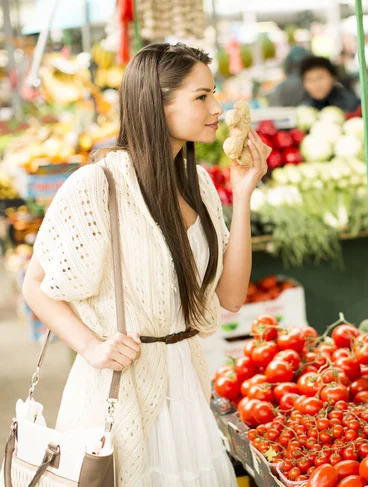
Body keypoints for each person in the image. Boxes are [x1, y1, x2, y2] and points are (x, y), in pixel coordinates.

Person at [21, 43, 269, 486]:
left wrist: (245, 191)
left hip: (187, 386)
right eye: (201, 97)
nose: (217, 108)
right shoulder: (96, 185)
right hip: (117, 395)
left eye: (214, 94)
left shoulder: (199, 184)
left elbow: (231, 296)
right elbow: (35, 285)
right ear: (157, 104)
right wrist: (91, 347)